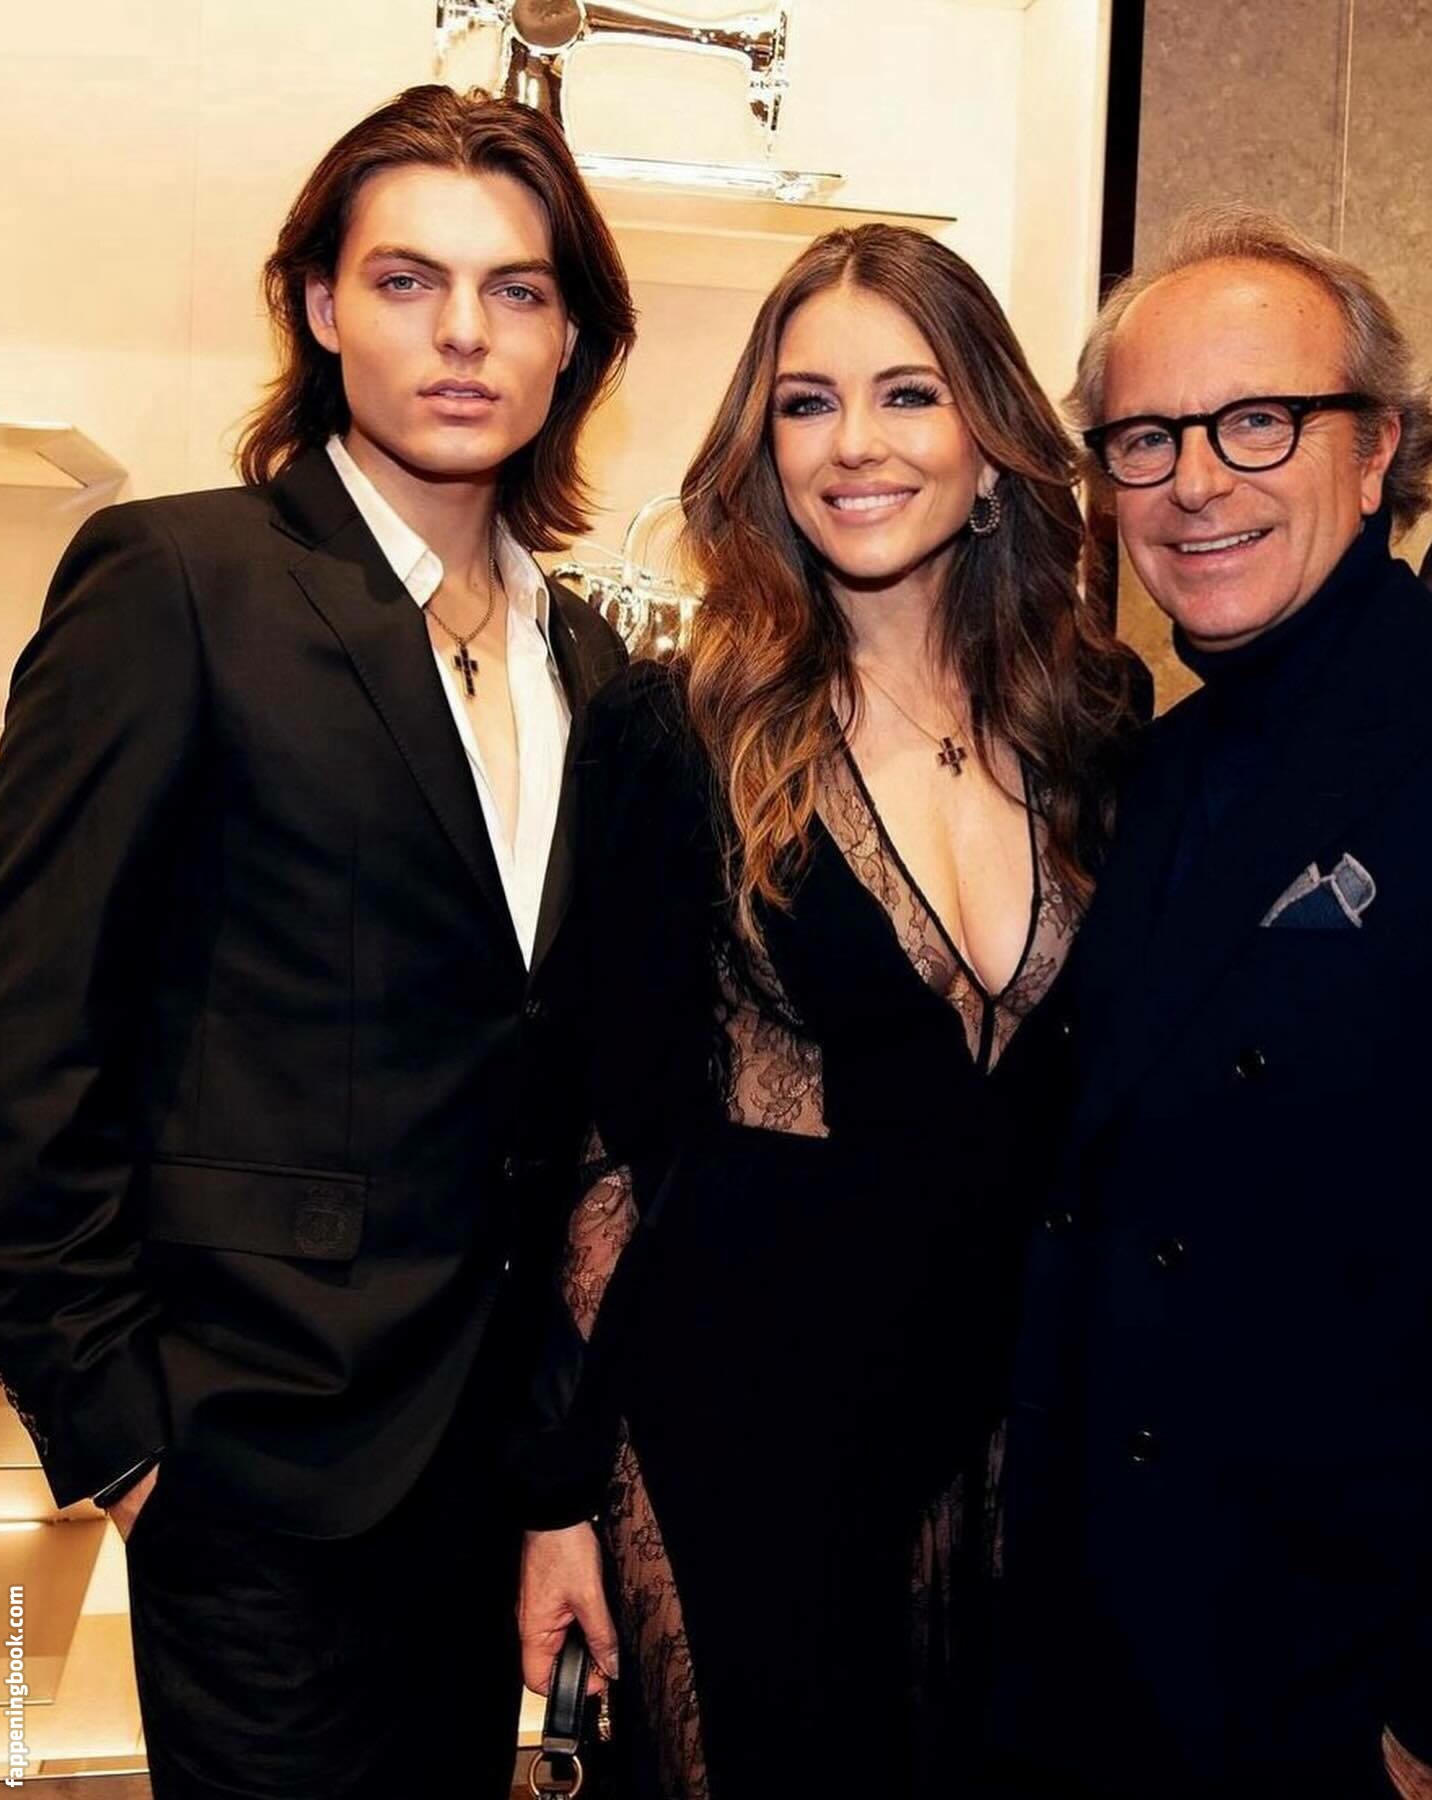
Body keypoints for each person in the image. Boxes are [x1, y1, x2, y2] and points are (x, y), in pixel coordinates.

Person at [0, 84, 633, 1798]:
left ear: (572, 337)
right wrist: (120, 1439)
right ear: (321, 305)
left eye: (514, 290)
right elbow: (26, 1036)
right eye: (409, 280)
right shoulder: (178, 582)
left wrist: (558, 1467)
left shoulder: (592, 665)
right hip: (250, 1476)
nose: (463, 334)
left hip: (487, 1486)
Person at [516, 223, 1138, 1798]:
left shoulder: (1095, 721)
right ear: (763, 449)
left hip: (1011, 1433)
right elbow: (599, 1139)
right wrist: (558, 1495)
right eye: (807, 403)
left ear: (991, 443)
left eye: (907, 393)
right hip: (742, 1427)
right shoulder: (678, 731)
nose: (854, 443)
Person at [988, 206, 1432, 1800]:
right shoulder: (1150, 765)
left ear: (1375, 452)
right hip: (1110, 1659)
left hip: (1338, 1684)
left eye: (1259, 422)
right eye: (1147, 438)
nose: (1194, 481)